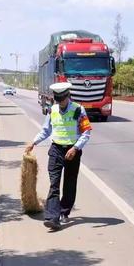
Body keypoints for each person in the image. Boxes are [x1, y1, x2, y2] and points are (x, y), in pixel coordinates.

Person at [26, 82, 92, 230]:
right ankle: (51, 218)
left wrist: (75, 148)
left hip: (72, 151)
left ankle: (64, 211)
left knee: (69, 183)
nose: (60, 102)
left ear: (68, 96)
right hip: (56, 150)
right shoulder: (52, 110)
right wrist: (34, 142)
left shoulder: (78, 110)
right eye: (58, 99)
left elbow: (86, 132)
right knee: (54, 184)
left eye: (62, 99)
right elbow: (46, 130)